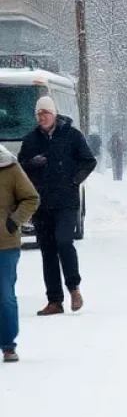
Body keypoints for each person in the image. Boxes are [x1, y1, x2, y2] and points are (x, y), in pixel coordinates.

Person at [18, 97, 96, 316]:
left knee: (64, 241)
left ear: (54, 114)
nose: (42, 117)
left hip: (66, 202)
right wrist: (31, 164)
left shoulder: (71, 136)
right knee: (48, 251)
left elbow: (89, 161)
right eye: (39, 114)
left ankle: (74, 289)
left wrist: (74, 179)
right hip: (41, 204)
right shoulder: (31, 140)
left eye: (46, 113)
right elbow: (19, 168)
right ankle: (54, 300)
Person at [0, 143, 40, 363]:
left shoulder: (9, 167)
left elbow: (31, 198)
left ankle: (7, 345)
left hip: (4, 244)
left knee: (4, 297)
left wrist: (13, 222)